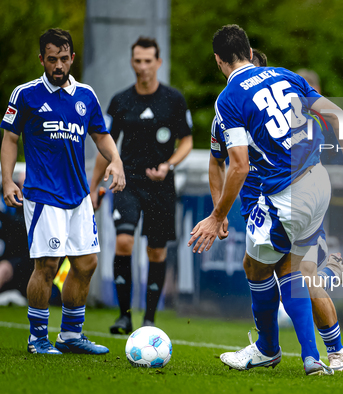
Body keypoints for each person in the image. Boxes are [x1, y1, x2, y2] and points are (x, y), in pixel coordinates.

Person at [190, 24, 343, 376]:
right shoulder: (286, 75)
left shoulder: (229, 100)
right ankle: (311, 354)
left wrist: (215, 217)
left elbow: (238, 165)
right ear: (249, 50)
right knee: (293, 267)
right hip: (319, 181)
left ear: (218, 60)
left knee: (268, 269)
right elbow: (340, 115)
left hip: (285, 195)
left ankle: (274, 350)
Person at [0, 28, 125, 354]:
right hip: (43, 195)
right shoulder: (25, 94)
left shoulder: (86, 96)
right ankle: (37, 338)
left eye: (64, 58)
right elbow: (10, 139)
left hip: (79, 195)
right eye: (52, 59)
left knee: (86, 264)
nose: (58, 65)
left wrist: (117, 161)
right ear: (42, 59)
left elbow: (101, 135)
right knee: (48, 266)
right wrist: (8, 179)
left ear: (72, 58)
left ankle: (70, 335)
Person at [90, 37, 193, 334]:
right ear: (132, 62)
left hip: (161, 185)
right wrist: (93, 187)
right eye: (138, 60)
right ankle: (124, 316)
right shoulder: (120, 101)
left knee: (156, 252)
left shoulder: (173, 100)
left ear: (158, 63)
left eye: (149, 60)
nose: (143, 66)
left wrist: (169, 164)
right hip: (128, 182)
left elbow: (186, 140)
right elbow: (104, 145)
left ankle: (148, 319)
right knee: (124, 241)